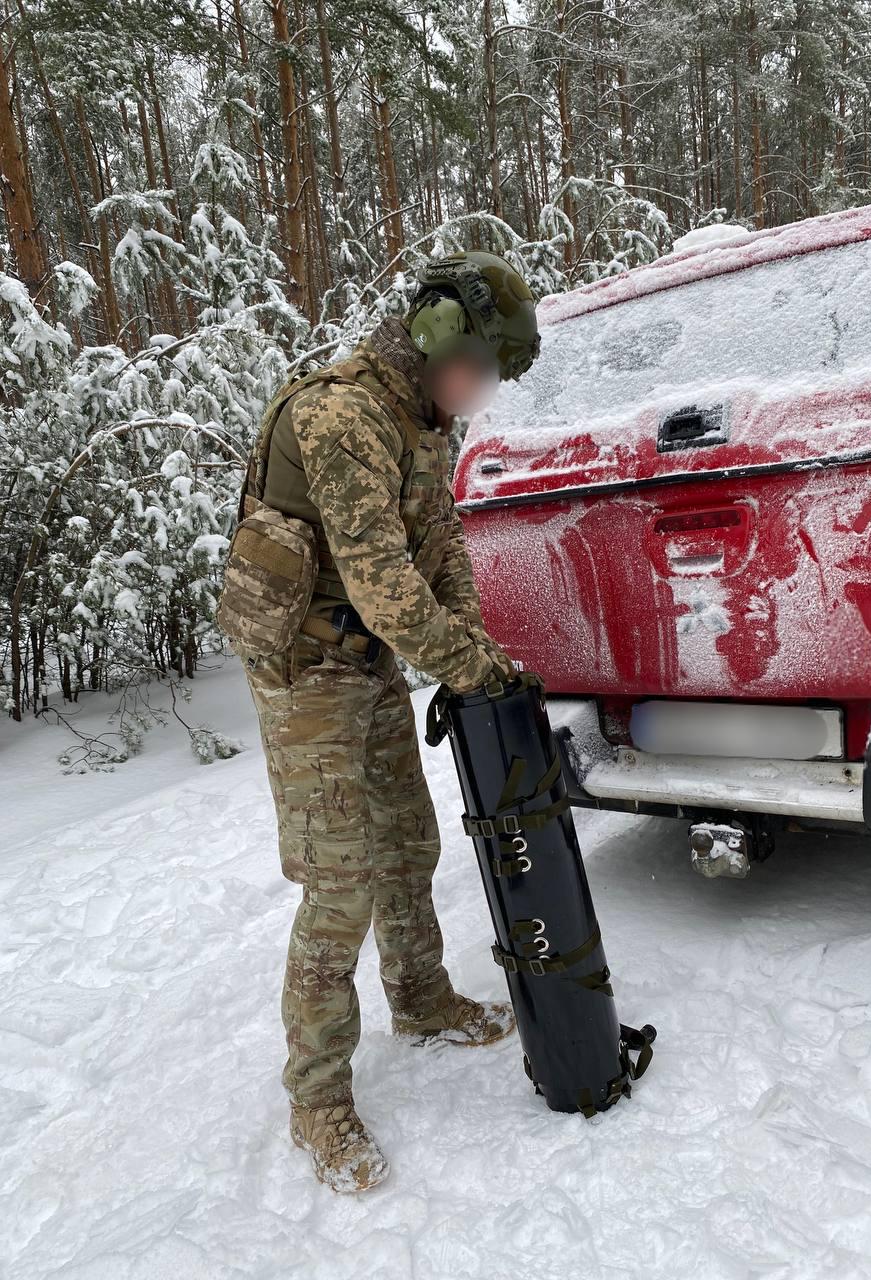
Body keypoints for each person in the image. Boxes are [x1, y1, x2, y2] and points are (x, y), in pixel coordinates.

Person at [239, 251, 541, 1192]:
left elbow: (440, 542)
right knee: (341, 883)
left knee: (408, 844)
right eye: (478, 370)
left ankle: (420, 999)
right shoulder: (338, 415)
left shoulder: (425, 417)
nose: (479, 395)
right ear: (435, 337)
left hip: (365, 656)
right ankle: (318, 1099)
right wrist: (472, 663)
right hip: (305, 667)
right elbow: (381, 581)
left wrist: (476, 650)